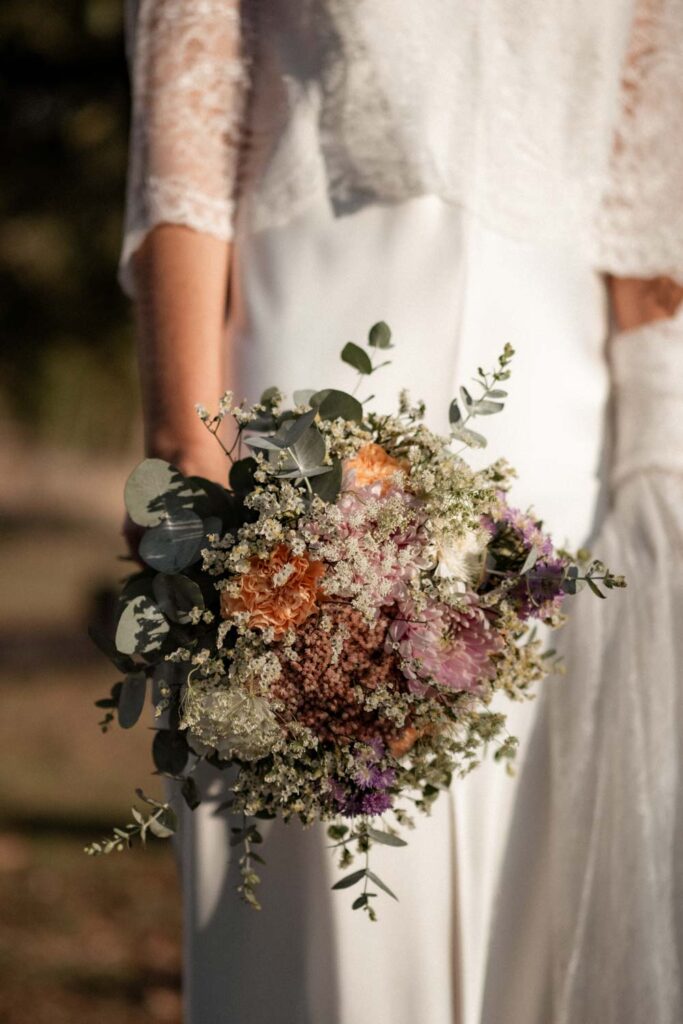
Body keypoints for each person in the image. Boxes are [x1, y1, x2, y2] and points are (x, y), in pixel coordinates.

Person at [120, 2, 683, 1022]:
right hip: (307, 412)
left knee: (541, 899)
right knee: (325, 914)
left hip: (566, 451)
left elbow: (650, 224)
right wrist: (188, 453)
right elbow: (184, 148)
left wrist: (662, 467)